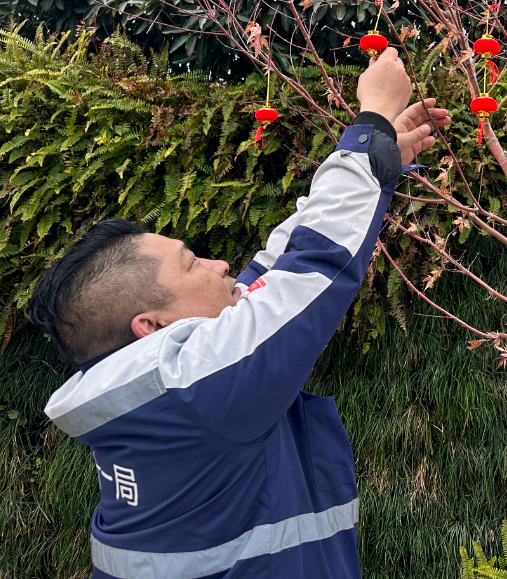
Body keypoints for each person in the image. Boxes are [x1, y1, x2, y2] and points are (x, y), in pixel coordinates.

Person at [27, 49, 449, 579]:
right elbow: (313, 265)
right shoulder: (193, 388)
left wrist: (378, 157)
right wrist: (371, 120)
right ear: (151, 327)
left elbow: (276, 268)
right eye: (192, 262)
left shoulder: (153, 393)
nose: (221, 263)